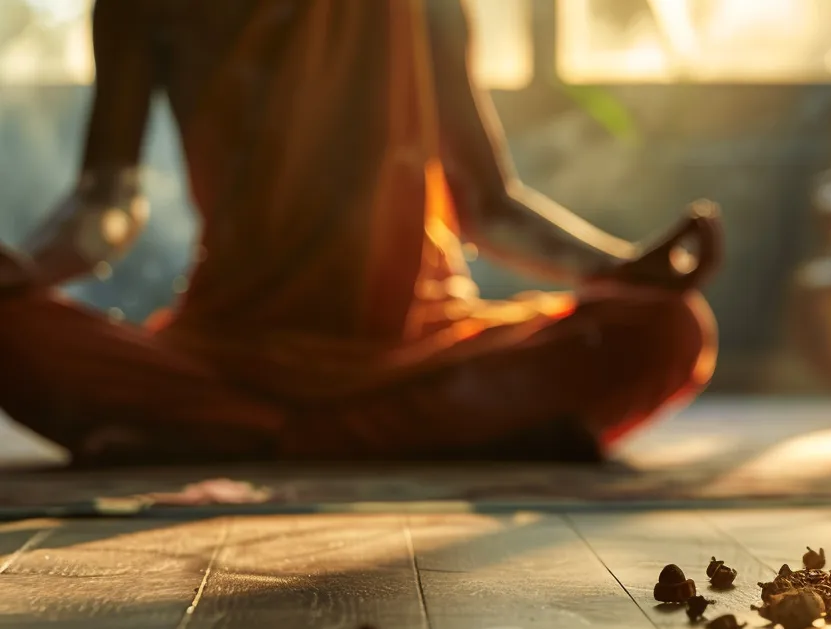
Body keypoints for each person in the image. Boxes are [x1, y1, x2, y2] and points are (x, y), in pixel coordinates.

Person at [0, 0, 719, 466]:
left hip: (421, 344)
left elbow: (487, 205)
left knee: (668, 329)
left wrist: (625, 271)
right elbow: (107, 200)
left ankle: (241, 441)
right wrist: (25, 270)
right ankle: (439, 438)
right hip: (231, 348)